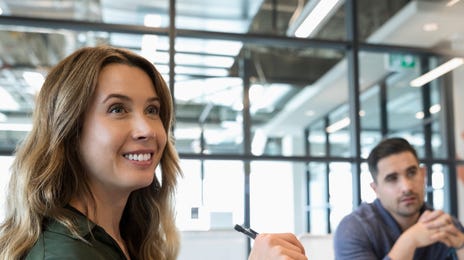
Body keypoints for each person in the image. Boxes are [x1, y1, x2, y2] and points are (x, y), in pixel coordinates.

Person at [0, 46, 307, 260]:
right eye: (117, 109)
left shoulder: (121, 238)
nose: (147, 129)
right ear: (68, 130)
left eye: (152, 110)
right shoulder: (63, 254)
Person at [334, 137, 464, 260]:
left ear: (423, 175)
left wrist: (461, 245)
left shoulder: (443, 224)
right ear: (376, 189)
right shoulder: (354, 229)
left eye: (412, 173)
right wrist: (409, 241)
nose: (406, 187)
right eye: (392, 178)